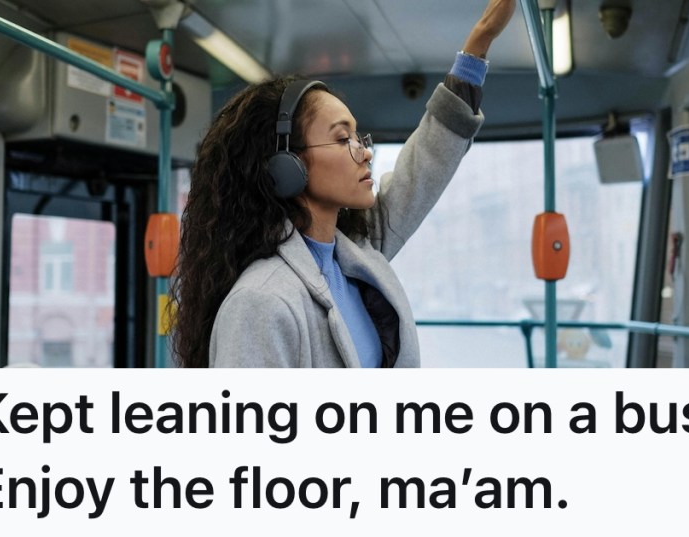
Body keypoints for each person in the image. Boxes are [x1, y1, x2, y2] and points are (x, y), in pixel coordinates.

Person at [172, 0, 516, 367]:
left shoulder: (353, 256)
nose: (365, 153)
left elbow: (425, 167)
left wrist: (480, 41)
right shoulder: (260, 301)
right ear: (287, 165)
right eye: (342, 139)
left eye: (359, 137)